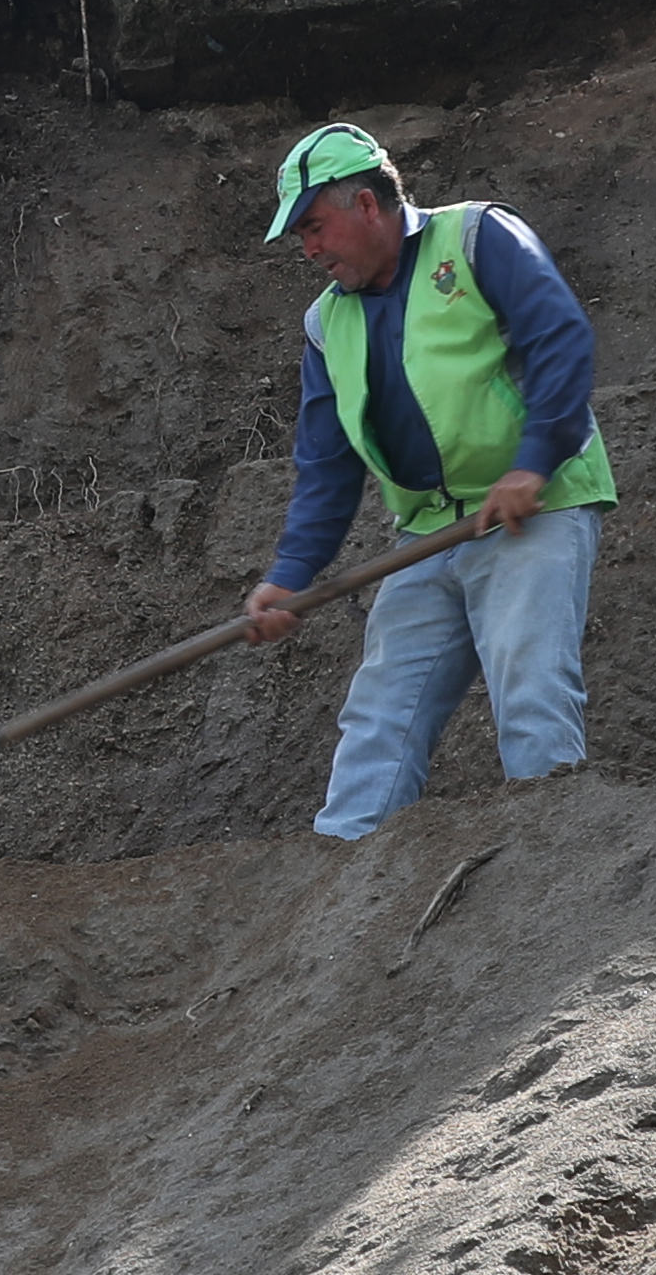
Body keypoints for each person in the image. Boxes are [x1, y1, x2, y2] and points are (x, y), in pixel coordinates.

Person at [244, 122, 622, 838]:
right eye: (301, 237)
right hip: (429, 532)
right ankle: (343, 868)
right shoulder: (328, 325)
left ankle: (550, 857)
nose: (310, 250)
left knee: (530, 680)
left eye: (316, 228)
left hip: (532, 510)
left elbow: (560, 340)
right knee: (382, 705)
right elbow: (327, 465)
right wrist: (292, 573)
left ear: (365, 205)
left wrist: (532, 463)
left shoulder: (478, 239)